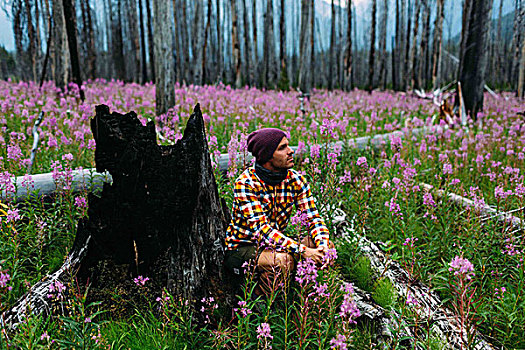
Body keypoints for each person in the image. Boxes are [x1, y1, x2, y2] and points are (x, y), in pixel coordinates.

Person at [224, 128, 335, 295]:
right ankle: (260, 307)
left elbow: (313, 218)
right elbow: (263, 231)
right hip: (242, 248)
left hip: (274, 245)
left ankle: (308, 294)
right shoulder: (246, 183)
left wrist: (323, 246)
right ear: (267, 156)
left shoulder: (296, 180)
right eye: (282, 148)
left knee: (325, 247)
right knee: (283, 261)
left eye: (288, 146)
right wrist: (303, 251)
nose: (291, 151)